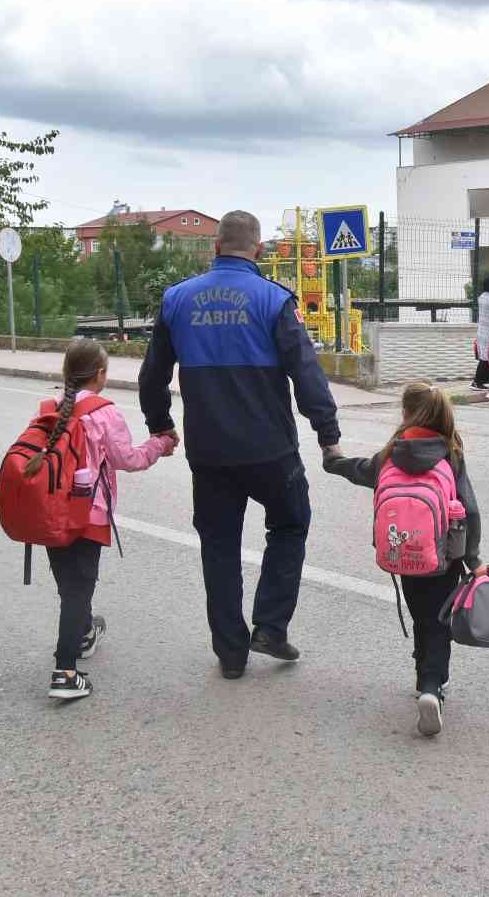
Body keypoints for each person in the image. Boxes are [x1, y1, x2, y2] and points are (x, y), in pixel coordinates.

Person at [140, 210, 342, 680]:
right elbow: (306, 374)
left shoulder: (176, 300)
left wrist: (161, 425)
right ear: (258, 251)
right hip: (270, 450)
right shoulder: (273, 300)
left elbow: (153, 375)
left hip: (209, 455)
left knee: (219, 546)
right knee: (290, 526)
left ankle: (231, 653)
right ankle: (270, 626)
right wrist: (328, 437)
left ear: (214, 247)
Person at [324, 383, 486, 737]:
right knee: (438, 622)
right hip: (443, 558)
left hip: (402, 555)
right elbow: (469, 510)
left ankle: (422, 678)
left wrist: (334, 462)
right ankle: (432, 687)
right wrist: (473, 561)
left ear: (406, 414)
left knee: (420, 617)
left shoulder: (392, 453)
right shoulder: (450, 454)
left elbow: (362, 470)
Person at [30, 338, 177, 701]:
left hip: (50, 510)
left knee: (70, 584)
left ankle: (82, 633)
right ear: (100, 375)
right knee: (79, 588)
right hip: (87, 513)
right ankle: (65, 671)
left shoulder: (50, 407)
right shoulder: (103, 412)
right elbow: (128, 459)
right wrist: (161, 443)